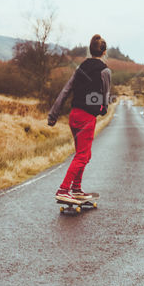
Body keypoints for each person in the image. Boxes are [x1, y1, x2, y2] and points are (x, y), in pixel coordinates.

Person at [47, 34, 112, 203]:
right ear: (104, 51)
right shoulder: (105, 70)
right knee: (83, 156)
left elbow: (65, 91)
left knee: (83, 154)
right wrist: (103, 109)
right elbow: (106, 94)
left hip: (74, 115)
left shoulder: (80, 68)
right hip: (86, 117)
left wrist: (53, 114)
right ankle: (63, 189)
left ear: (90, 50)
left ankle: (76, 188)